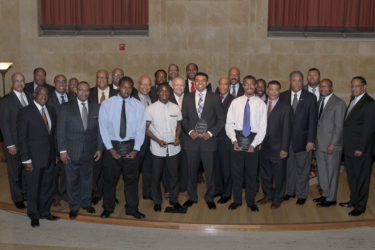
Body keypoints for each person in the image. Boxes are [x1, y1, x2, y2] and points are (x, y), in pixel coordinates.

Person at [99, 76, 146, 219]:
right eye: (124, 86)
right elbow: (103, 128)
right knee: (109, 180)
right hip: (112, 145)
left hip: (131, 145)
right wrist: (110, 148)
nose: (127, 90)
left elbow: (141, 129)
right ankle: (108, 208)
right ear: (118, 87)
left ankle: (132, 208)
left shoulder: (138, 105)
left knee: (131, 180)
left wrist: (136, 149)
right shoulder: (107, 104)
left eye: (130, 87)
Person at [57, 81, 103, 219]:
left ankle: (86, 202)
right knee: (72, 180)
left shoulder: (96, 107)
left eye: (86, 90)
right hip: (71, 151)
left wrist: (100, 148)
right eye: (81, 90)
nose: (83, 93)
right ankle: (74, 206)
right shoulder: (66, 107)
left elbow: (101, 130)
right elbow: (60, 131)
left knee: (87, 179)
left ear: (89, 92)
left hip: (90, 151)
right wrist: (62, 150)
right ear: (76, 91)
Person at [182, 72, 225, 210]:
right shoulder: (187, 97)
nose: (200, 83)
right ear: (194, 82)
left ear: (207, 82)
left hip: (208, 142)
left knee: (210, 171)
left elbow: (221, 119)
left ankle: (209, 196)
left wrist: (211, 133)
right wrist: (190, 131)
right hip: (192, 141)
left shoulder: (214, 97)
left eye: (203, 80)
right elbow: (183, 118)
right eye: (197, 80)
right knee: (190, 171)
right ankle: (192, 196)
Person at [17, 86, 59, 227]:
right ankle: (34, 214)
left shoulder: (51, 111)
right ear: (34, 95)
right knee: (33, 188)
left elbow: (53, 136)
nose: (43, 97)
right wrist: (26, 159)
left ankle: (45, 211)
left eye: (46, 95)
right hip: (33, 159)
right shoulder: (25, 112)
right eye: (41, 94)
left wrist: (56, 154)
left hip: (49, 158)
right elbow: (22, 138)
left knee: (48, 186)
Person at [225, 75, 267, 212]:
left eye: (252, 84)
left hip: (253, 139)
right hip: (237, 138)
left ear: (255, 86)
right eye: (246, 84)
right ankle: (236, 200)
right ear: (243, 86)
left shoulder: (261, 104)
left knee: (251, 173)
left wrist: (254, 144)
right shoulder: (235, 102)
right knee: (236, 172)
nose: (249, 87)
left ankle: (250, 201)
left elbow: (263, 127)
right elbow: (229, 123)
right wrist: (233, 140)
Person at [280, 71, 318, 205]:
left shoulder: (310, 98)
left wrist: (311, 140)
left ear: (303, 82)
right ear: (290, 81)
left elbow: (313, 121)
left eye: (300, 81)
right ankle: (290, 191)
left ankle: (302, 194)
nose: (297, 83)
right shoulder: (282, 96)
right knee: (289, 168)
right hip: (286, 141)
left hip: (303, 141)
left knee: (302, 168)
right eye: (295, 80)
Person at [340, 76, 375, 216]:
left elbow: (368, 129)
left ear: (364, 87)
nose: (354, 89)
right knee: (352, 177)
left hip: (361, 150)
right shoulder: (354, 100)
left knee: (362, 179)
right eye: (352, 86)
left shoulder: (369, 103)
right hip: (349, 148)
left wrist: (360, 148)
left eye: (357, 86)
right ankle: (353, 200)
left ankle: (360, 207)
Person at [146, 84, 183, 211]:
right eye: (161, 91)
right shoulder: (150, 109)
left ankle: (174, 200)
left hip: (173, 148)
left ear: (170, 92)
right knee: (156, 176)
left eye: (166, 91)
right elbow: (146, 129)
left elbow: (179, 125)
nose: (164, 93)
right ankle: (157, 201)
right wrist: (157, 140)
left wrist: (177, 137)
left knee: (174, 176)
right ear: (157, 92)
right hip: (157, 148)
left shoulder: (175, 107)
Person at [0, 73, 32, 209]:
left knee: (27, 170)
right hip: (14, 143)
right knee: (15, 172)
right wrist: (10, 144)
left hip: (29, 143)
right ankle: (17, 198)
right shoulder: (5, 101)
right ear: (12, 83)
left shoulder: (30, 97)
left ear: (25, 82)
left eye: (22, 80)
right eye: (16, 81)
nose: (20, 83)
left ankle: (25, 194)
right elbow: (4, 124)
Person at [258, 80, 292, 209]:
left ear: (279, 91)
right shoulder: (261, 105)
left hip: (278, 148)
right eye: (271, 89)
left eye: (276, 89)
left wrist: (284, 148)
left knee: (279, 175)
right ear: (267, 90)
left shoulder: (286, 107)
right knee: (265, 174)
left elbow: (287, 130)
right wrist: (258, 142)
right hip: (263, 147)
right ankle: (267, 195)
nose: (273, 92)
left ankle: (278, 198)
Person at [313, 79, 346, 207]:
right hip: (319, 144)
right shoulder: (319, 102)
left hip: (332, 145)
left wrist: (333, 144)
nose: (323, 89)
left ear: (331, 88)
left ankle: (331, 199)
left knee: (332, 172)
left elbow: (339, 127)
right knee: (322, 172)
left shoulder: (339, 103)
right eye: (321, 86)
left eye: (325, 86)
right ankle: (325, 194)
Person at [89, 69, 117, 205]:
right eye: (98, 77)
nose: (101, 80)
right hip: (94, 138)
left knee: (111, 170)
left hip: (113, 138)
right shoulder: (89, 93)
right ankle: (95, 193)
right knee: (96, 168)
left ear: (108, 80)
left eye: (104, 78)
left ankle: (109, 194)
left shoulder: (116, 94)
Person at [47, 74, 70, 206]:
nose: (61, 83)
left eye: (63, 81)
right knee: (54, 172)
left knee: (67, 171)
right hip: (54, 142)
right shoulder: (48, 99)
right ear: (54, 83)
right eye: (58, 81)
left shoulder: (72, 98)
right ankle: (55, 195)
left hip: (70, 141)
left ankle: (64, 193)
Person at [134, 75, 157, 200]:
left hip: (151, 140)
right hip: (137, 141)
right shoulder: (132, 99)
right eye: (143, 84)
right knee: (134, 170)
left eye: (148, 84)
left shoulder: (153, 98)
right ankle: (133, 196)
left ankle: (147, 192)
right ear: (138, 85)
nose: (145, 87)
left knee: (149, 168)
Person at [214, 77, 235, 204]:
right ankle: (218, 189)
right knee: (216, 166)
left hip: (227, 139)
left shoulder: (234, 100)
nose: (223, 86)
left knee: (227, 168)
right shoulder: (214, 98)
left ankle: (227, 193)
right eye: (221, 84)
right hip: (214, 139)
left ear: (229, 86)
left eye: (225, 84)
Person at [169, 76, 188, 194]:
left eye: (181, 85)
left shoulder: (190, 98)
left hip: (187, 137)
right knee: (171, 165)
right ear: (172, 86)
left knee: (186, 164)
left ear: (185, 87)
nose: (179, 87)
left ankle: (184, 188)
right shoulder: (166, 98)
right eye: (176, 85)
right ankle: (170, 189)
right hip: (171, 136)